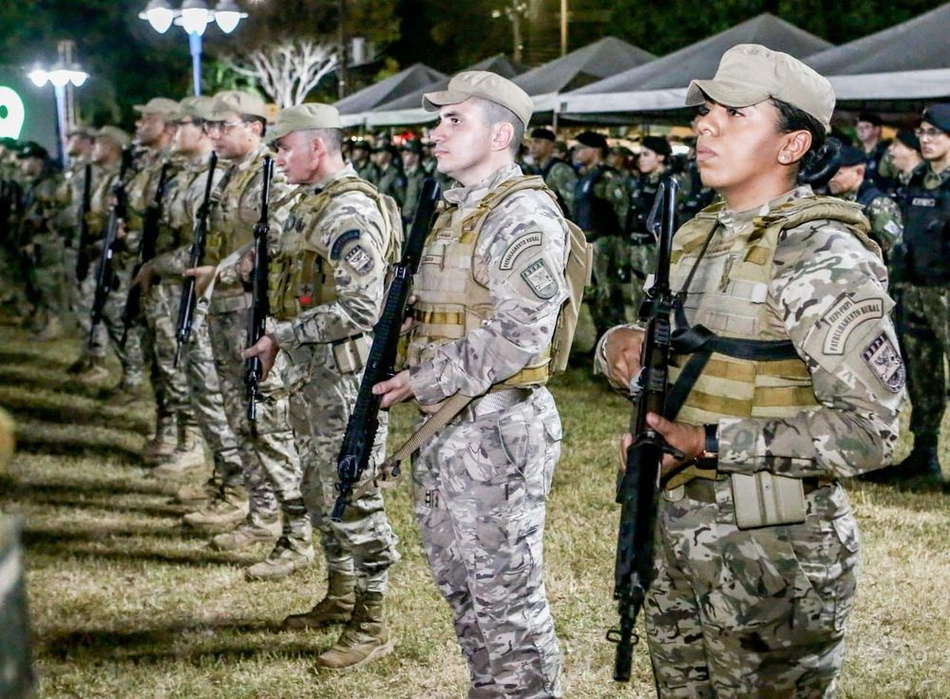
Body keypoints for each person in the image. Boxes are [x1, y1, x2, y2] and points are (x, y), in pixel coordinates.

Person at [597, 44, 905, 696]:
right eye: (705, 111)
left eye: (735, 113)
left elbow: (875, 428)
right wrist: (617, 346)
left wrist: (707, 443)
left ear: (792, 143)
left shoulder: (821, 253)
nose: (705, 124)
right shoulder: (696, 234)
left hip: (774, 545)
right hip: (678, 526)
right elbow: (668, 348)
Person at [374, 70, 567, 698]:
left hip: (497, 430)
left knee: (505, 594)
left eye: (454, 120)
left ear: (501, 134)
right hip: (448, 424)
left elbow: (520, 335)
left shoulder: (524, 215)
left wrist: (420, 377)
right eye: (439, 120)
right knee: (460, 582)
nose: (436, 134)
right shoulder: (455, 209)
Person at [243, 102, 401, 666]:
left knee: (351, 490)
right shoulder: (313, 206)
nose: (277, 158)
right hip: (315, 375)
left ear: (317, 146)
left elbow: (364, 306)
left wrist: (285, 332)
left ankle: (372, 619)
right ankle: (339, 594)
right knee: (319, 487)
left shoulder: (348, 212)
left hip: (345, 380)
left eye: (284, 147)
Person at [183, 91, 312, 577]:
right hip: (224, 309)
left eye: (223, 125)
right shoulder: (228, 174)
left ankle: (297, 534)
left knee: (267, 420)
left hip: (255, 315)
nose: (213, 134)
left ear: (256, 128)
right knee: (242, 420)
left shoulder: (271, 174)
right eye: (208, 126)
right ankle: (261, 514)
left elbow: (279, 239)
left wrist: (224, 270)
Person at [885, 104, 950, 481]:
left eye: (934, 133)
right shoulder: (915, 179)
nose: (925, 140)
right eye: (922, 133)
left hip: (946, 291)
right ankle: (925, 455)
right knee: (922, 377)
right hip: (915, 290)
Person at [573, 130, 629, 340]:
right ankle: (601, 338)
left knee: (609, 293)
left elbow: (622, 209)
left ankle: (616, 339)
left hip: (605, 242)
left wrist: (617, 243)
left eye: (580, 148)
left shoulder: (607, 176)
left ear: (594, 150)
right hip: (588, 243)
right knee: (594, 294)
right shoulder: (586, 176)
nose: (576, 153)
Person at [15, 142, 65, 340]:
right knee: (38, 283)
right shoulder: (36, 184)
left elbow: (49, 215)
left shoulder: (48, 184)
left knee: (48, 284)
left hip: (46, 241)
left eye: (26, 161)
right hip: (37, 240)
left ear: (37, 161)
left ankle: (54, 323)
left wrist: (33, 230)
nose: (22, 165)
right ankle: (44, 319)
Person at [827, 144, 903, 255]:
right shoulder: (832, 199)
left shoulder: (878, 205)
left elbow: (894, 250)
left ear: (859, 172)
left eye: (838, 173)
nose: (831, 179)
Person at [527, 127, 577, 219]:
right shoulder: (538, 170)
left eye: (537, 142)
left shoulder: (559, 169)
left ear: (551, 145)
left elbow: (573, 202)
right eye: (531, 142)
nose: (532, 146)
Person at [855, 111, 893, 189]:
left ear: (876, 129)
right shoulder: (855, 152)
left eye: (866, 127)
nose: (861, 130)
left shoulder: (885, 151)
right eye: (859, 127)